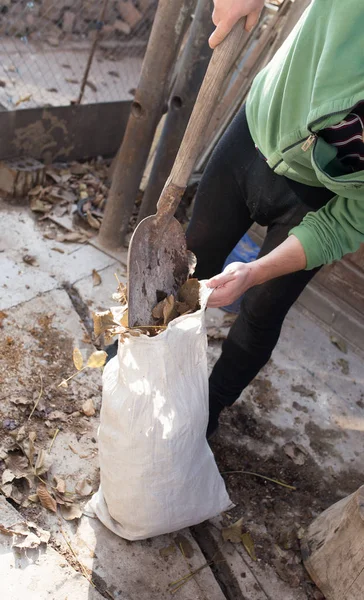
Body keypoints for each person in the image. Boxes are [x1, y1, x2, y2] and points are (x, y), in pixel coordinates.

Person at [186, 0, 364, 437]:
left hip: (318, 199)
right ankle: (136, 354)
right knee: (190, 262)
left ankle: (211, 407)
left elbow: (345, 222)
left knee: (263, 308)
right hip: (259, 127)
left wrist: (255, 272)